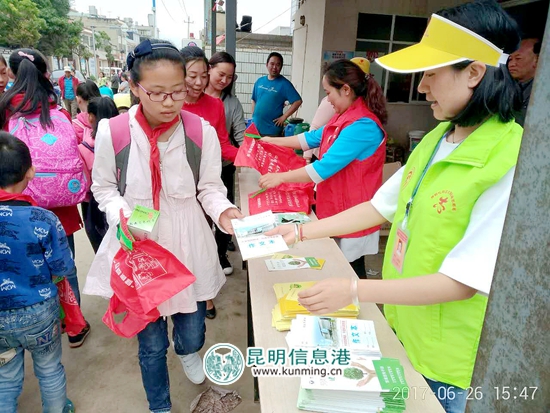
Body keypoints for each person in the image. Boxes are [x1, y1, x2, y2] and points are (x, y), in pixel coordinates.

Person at [268, 3, 523, 412]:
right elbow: (381, 206)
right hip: (403, 326)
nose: (422, 88)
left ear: (474, 72)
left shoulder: (510, 159)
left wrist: (354, 289)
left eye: (432, 74)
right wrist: (300, 231)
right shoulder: (439, 138)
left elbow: (461, 282)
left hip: (448, 358)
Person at [84, 39, 243, 413]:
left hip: (188, 239)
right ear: (134, 86)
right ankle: (160, 406)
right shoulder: (114, 131)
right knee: (152, 343)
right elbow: (103, 187)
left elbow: (209, 188)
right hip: (140, 243)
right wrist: (120, 214)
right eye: (157, 93)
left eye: (177, 91)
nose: (170, 102)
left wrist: (225, 213)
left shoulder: (200, 131)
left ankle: (188, 352)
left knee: (193, 330)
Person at [259, 59, 388, 279]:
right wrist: (271, 141)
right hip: (335, 206)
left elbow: (323, 168)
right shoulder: (343, 117)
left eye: (329, 93)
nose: (327, 99)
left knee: (350, 271)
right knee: (335, 266)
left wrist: (281, 177)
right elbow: (310, 139)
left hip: (352, 212)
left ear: (345, 90)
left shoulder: (363, 125)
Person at [0, 49, 90, 348]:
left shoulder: (6, 110)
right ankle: (74, 325)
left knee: (21, 267)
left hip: (16, 204)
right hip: (60, 205)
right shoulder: (57, 109)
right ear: (46, 74)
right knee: (65, 264)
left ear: (12, 73)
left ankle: (32, 327)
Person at [0, 132, 76, 413]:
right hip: (39, 311)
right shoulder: (43, 219)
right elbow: (63, 267)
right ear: (30, 171)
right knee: (49, 368)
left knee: (5, 379)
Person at [180, 46, 239, 319]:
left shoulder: (215, 106)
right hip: (171, 187)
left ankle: (205, 294)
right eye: (192, 76)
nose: (199, 82)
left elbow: (222, 144)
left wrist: (248, 157)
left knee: (200, 240)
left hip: (202, 186)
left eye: (203, 76)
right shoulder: (170, 103)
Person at [205, 51, 246, 275]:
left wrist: (248, 156)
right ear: (209, 68)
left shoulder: (230, 103)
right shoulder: (191, 98)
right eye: (221, 74)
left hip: (223, 166)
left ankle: (220, 254)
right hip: (195, 171)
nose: (224, 80)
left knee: (224, 210)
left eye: (229, 77)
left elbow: (237, 136)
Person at [302, 56, 371, 164]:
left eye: (328, 92)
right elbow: (315, 132)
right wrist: (307, 158)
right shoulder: (335, 104)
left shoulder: (362, 118)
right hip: (323, 156)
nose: (328, 99)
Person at [79, 96, 118, 253]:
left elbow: (86, 184)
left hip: (94, 203)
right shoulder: (126, 140)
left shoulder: (84, 148)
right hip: (124, 199)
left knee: (102, 246)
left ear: (91, 117)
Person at [251, 52, 302, 136]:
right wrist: (253, 116)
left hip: (272, 130)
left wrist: (284, 117)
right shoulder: (259, 81)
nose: (274, 67)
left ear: (281, 67)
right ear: (267, 64)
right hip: (256, 129)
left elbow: (298, 101)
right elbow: (254, 100)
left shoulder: (284, 84)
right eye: (272, 64)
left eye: (278, 65)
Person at [507, 37, 541, 126]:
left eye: (518, 58)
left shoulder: (542, 93)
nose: (511, 64)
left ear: (537, 60)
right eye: (510, 59)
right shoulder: (506, 85)